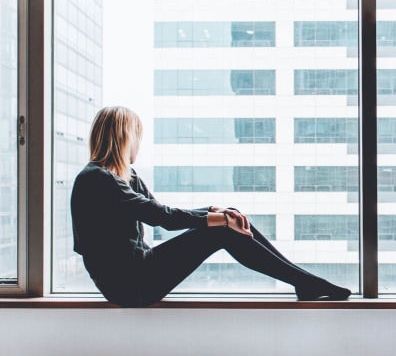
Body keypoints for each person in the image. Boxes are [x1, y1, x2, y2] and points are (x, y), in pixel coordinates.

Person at [71, 106, 351, 307]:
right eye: (138, 138)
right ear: (125, 139)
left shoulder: (126, 177)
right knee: (223, 229)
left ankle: (302, 280)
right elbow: (161, 218)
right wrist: (218, 219)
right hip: (129, 285)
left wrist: (217, 210)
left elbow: (160, 210)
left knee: (228, 217)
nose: (140, 146)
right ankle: (303, 281)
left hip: (139, 272)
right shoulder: (96, 179)